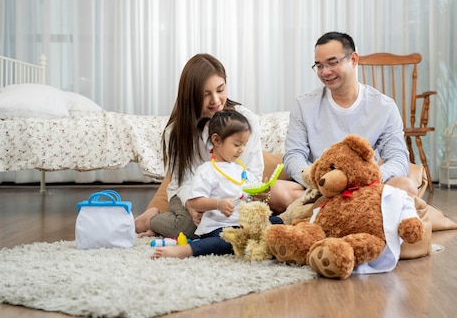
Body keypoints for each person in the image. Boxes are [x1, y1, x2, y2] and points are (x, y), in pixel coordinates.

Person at [135, 54, 265, 239]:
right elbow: (183, 181)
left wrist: (249, 199)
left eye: (220, 90)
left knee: (249, 226)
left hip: (232, 195)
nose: (216, 101)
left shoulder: (246, 121)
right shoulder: (176, 132)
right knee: (190, 228)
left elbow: (253, 171)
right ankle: (150, 220)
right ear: (191, 96)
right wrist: (192, 204)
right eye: (205, 94)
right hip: (192, 193)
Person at [283, 31, 419, 196]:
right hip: (319, 188)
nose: (325, 72)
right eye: (319, 66)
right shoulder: (304, 105)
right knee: (277, 192)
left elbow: (398, 158)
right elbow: (293, 155)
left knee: (406, 187)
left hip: (365, 187)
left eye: (332, 63)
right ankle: (340, 211)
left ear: (353, 59)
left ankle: (330, 214)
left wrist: (364, 179)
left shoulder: (384, 107)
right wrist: (320, 181)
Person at [151, 109, 283, 259]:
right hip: (217, 227)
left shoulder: (239, 169)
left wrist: (260, 194)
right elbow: (195, 202)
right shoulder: (207, 171)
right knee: (226, 242)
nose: (241, 150)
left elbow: (249, 195)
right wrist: (218, 204)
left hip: (241, 224)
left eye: (244, 145)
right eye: (237, 144)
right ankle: (187, 250)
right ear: (217, 140)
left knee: (277, 222)